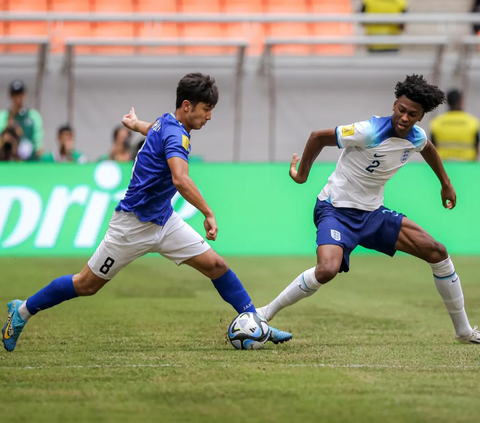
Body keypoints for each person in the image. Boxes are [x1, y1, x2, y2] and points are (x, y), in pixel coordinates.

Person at [2, 73, 292, 352]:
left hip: (164, 221)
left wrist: (135, 123)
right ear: (187, 106)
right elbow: (180, 179)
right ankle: (22, 310)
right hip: (131, 227)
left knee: (216, 265)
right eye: (206, 109)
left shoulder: (168, 123)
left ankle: (257, 323)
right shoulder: (175, 134)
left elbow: (151, 127)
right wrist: (208, 212)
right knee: (86, 284)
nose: (210, 116)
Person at [257, 74, 480, 344]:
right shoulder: (368, 130)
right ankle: (264, 313)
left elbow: (428, 148)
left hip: (373, 214)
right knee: (327, 269)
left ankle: (464, 332)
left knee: (438, 252)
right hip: (335, 210)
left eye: (413, 114)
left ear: (421, 117)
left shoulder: (417, 136)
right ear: (394, 105)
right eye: (401, 110)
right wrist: (302, 175)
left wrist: (446, 184)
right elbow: (318, 137)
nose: (405, 118)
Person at [429, 89, 479, 161]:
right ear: (461, 102)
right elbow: (476, 145)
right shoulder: (472, 121)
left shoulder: (436, 121)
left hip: (443, 163)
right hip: (467, 164)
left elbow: (432, 147)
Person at [0, 80, 44, 160]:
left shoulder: (33, 116)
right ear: (10, 96)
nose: (17, 98)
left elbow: (38, 143)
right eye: (14, 95)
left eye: (20, 94)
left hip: (30, 161)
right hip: (9, 161)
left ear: (24, 95)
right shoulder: (3, 116)